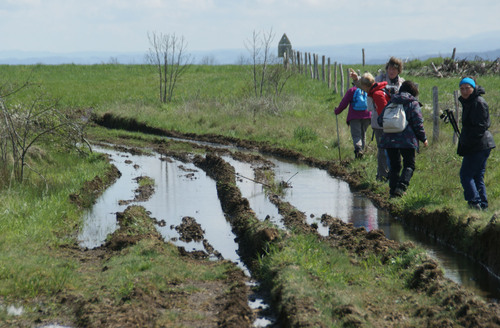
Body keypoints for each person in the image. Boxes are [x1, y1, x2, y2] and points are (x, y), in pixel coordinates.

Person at [377, 80, 428, 197]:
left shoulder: (391, 102)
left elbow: (380, 121)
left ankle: (393, 192)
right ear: (413, 92)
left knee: (395, 166)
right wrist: (423, 138)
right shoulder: (413, 103)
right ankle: (401, 188)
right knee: (409, 165)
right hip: (407, 140)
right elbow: (417, 123)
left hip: (389, 140)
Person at [457, 77, 496, 210]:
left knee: (466, 175)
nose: (464, 91)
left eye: (467, 88)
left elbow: (482, 126)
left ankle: (474, 202)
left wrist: (468, 142)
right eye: (462, 88)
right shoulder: (469, 102)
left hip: (479, 145)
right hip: (479, 144)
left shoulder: (478, 102)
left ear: (473, 88)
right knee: (477, 176)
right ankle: (483, 206)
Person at [350, 70, 391, 181]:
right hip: (381, 126)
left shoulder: (377, 94)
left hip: (381, 127)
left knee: (383, 152)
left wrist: (382, 123)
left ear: (366, 86)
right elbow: (363, 86)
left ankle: (383, 176)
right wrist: (356, 79)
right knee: (384, 151)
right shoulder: (374, 88)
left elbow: (383, 111)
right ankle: (383, 175)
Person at [334, 86, 371, 158]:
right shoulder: (368, 89)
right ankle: (361, 154)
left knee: (356, 135)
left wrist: (337, 111)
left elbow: (344, 103)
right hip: (367, 116)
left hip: (354, 116)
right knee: (363, 134)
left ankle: (358, 150)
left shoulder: (352, 90)